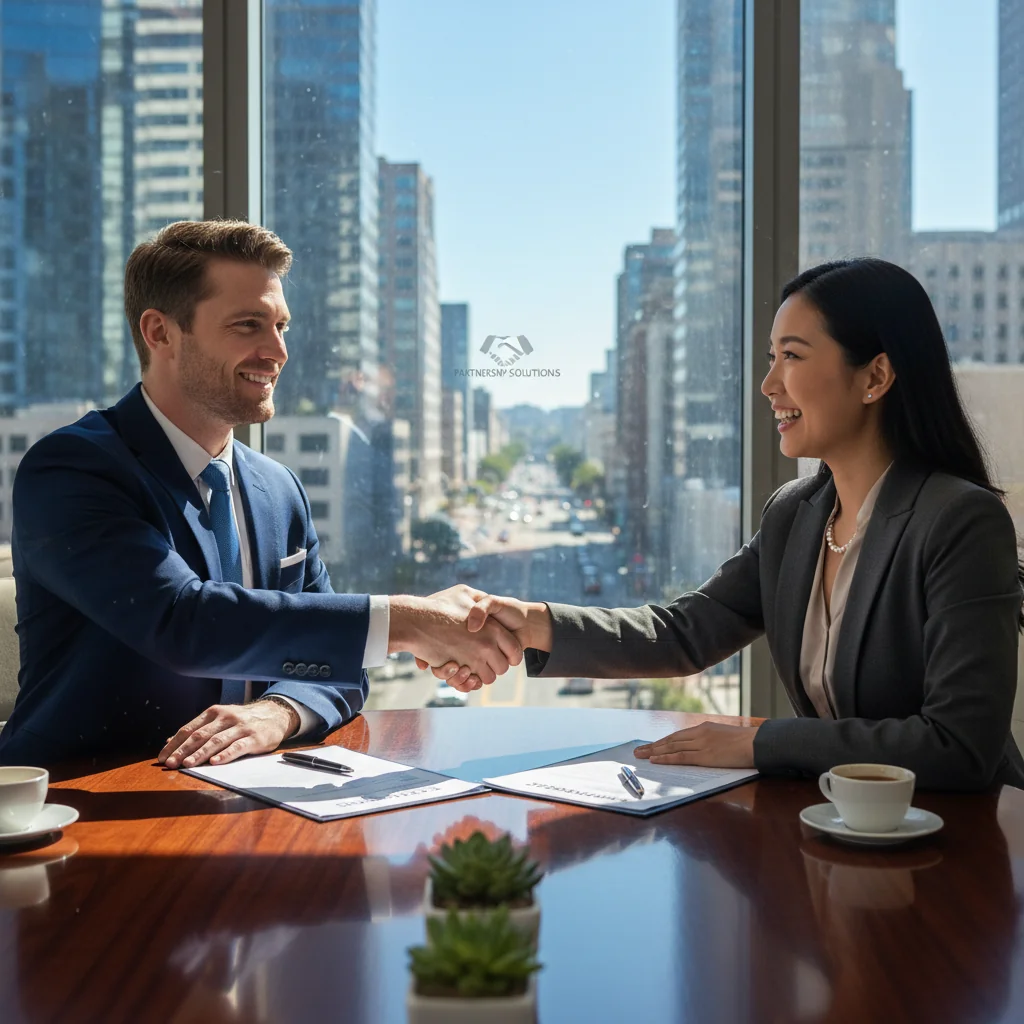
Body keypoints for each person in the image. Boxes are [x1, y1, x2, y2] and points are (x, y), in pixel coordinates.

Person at [431, 258, 1024, 791]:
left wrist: (758, 743)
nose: (769, 385)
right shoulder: (795, 514)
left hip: (964, 846)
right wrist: (531, 624)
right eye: (772, 359)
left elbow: (958, 745)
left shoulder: (959, 522)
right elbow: (685, 633)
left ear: (874, 377)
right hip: (845, 831)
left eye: (791, 356)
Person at [0, 220, 520, 768]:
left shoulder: (278, 488)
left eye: (281, 326)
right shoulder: (72, 469)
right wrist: (410, 621)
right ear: (161, 333)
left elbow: (339, 665)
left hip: (243, 805)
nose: (277, 351)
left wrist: (277, 713)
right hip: (81, 804)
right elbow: (181, 622)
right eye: (249, 325)